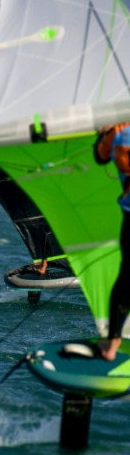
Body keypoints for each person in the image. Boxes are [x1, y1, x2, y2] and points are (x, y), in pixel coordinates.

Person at [95, 122, 130, 358]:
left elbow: (103, 157)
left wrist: (107, 135)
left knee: (126, 278)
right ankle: (112, 342)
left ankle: (112, 344)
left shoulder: (121, 131)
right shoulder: (120, 131)